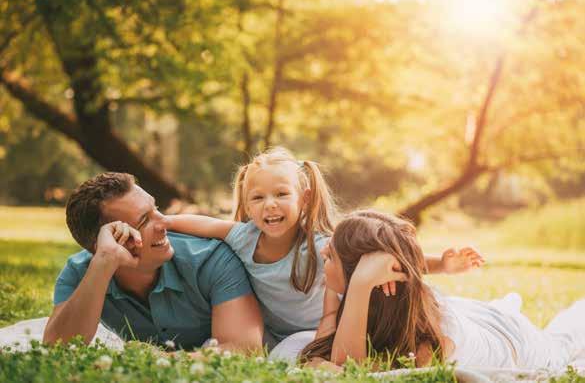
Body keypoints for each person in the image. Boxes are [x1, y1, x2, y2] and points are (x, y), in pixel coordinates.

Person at [167, 147, 484, 347]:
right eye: (258, 198)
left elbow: (384, 257)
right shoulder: (244, 237)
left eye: (281, 194)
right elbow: (204, 224)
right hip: (279, 335)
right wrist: (162, 220)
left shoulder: (320, 245)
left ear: (303, 198)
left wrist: (442, 265)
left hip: (332, 327)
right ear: (247, 206)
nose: (270, 206)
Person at [301, 210, 585, 370]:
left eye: (333, 254)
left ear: (365, 278)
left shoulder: (427, 347)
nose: (325, 248)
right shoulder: (370, 297)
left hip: (512, 342)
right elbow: (325, 344)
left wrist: (362, 285)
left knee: (564, 343)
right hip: (465, 313)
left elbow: (347, 370)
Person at [42, 172, 263, 352]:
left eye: (155, 208)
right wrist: (104, 263)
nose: (163, 223)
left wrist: (158, 359)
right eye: (144, 221)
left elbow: (244, 347)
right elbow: (56, 348)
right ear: (104, 243)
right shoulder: (82, 272)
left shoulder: (210, 258)